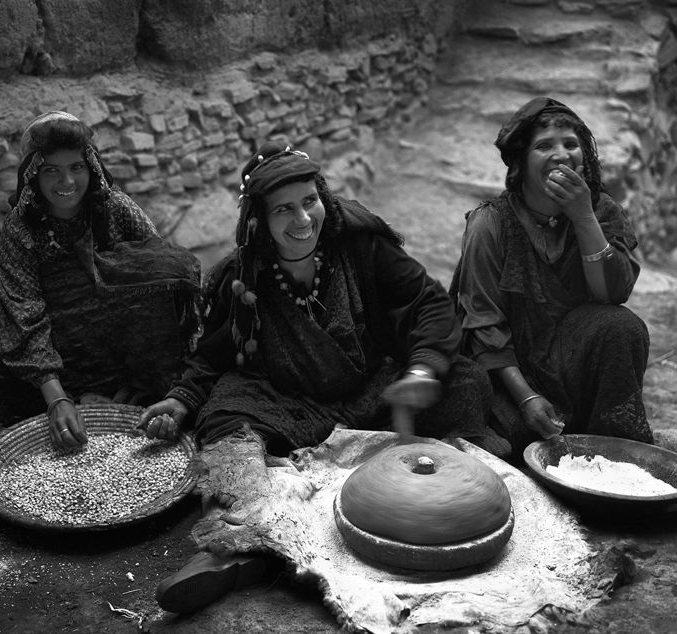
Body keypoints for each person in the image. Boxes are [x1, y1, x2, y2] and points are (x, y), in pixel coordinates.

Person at [135, 140, 495, 613]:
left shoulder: (363, 247)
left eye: (310, 201)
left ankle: (457, 513)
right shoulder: (241, 279)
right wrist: (182, 400)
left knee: (464, 380)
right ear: (259, 221)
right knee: (225, 422)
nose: (303, 220)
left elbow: (427, 303)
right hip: (288, 402)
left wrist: (423, 369)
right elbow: (215, 356)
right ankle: (234, 547)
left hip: (374, 389)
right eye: (283, 209)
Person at [0, 111, 200, 447]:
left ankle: (134, 385)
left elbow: (162, 273)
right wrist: (56, 398)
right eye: (51, 170)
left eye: (76, 168)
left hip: (116, 340)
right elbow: (25, 308)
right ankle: (69, 391)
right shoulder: (22, 226)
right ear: (33, 174)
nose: (67, 182)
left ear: (92, 167)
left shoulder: (114, 208)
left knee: (158, 273)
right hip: (54, 338)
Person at [449, 97, 654, 460]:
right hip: (510, 371)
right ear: (521, 162)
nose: (561, 154)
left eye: (570, 144)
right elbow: (483, 325)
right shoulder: (490, 223)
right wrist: (526, 396)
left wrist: (583, 217)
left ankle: (615, 453)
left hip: (570, 358)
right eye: (544, 146)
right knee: (509, 446)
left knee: (623, 327)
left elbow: (614, 292)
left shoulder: (601, 209)